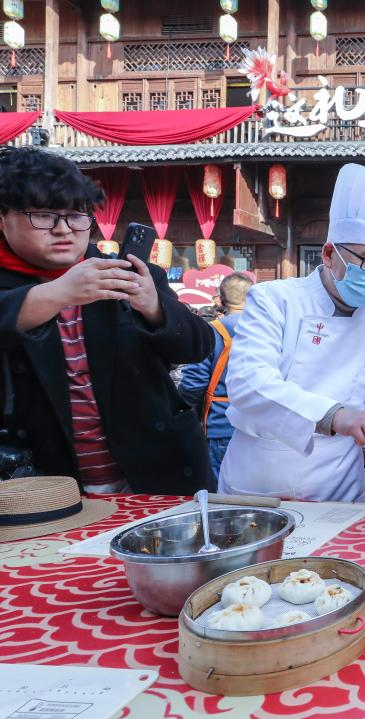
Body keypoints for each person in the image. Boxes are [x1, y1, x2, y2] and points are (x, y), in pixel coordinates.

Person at [0, 147, 214, 494]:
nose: (63, 230)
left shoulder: (125, 272)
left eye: (76, 215)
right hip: (43, 485)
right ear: (3, 217)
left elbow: (198, 346)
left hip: (155, 475)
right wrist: (58, 293)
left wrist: (153, 306)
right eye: (43, 215)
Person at [217, 164, 365, 502]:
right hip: (258, 486)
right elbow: (248, 383)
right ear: (329, 254)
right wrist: (334, 416)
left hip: (338, 487)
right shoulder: (275, 300)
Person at [178, 272, 254, 484]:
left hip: (221, 425)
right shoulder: (267, 329)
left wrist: (183, 407)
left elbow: (193, 383)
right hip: (261, 426)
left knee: (221, 491)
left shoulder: (212, 331)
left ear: (220, 299)